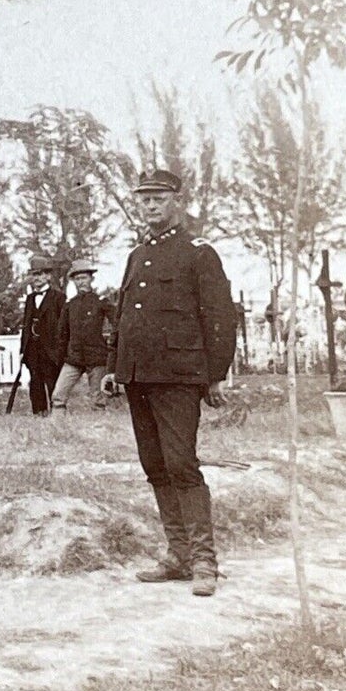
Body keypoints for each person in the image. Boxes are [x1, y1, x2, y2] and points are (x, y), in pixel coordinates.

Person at [103, 170, 237, 597]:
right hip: (139, 375)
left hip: (179, 377)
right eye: (144, 199)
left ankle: (204, 561)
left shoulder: (199, 253)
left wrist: (215, 375)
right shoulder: (137, 254)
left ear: (178, 201)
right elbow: (124, 314)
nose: (150, 205)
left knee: (181, 465)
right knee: (155, 466)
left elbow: (220, 317)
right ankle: (177, 555)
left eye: (158, 198)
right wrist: (113, 367)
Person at [51, 260, 111, 411]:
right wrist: (61, 356)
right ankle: (57, 428)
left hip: (97, 358)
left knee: (98, 399)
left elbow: (116, 323)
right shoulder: (70, 304)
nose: (81, 282)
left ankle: (100, 430)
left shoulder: (101, 302)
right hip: (74, 358)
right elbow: (62, 333)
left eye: (84, 278)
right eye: (77, 279)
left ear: (91, 279)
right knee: (58, 395)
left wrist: (109, 346)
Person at [19, 257, 64, 416]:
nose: (36, 278)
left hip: (51, 350)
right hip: (33, 349)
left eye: (39, 274)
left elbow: (63, 326)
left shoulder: (58, 297)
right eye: (33, 274)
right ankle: (39, 413)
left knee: (52, 382)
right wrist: (22, 349)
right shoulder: (30, 299)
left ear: (48, 276)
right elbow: (26, 324)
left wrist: (60, 350)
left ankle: (57, 414)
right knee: (35, 382)